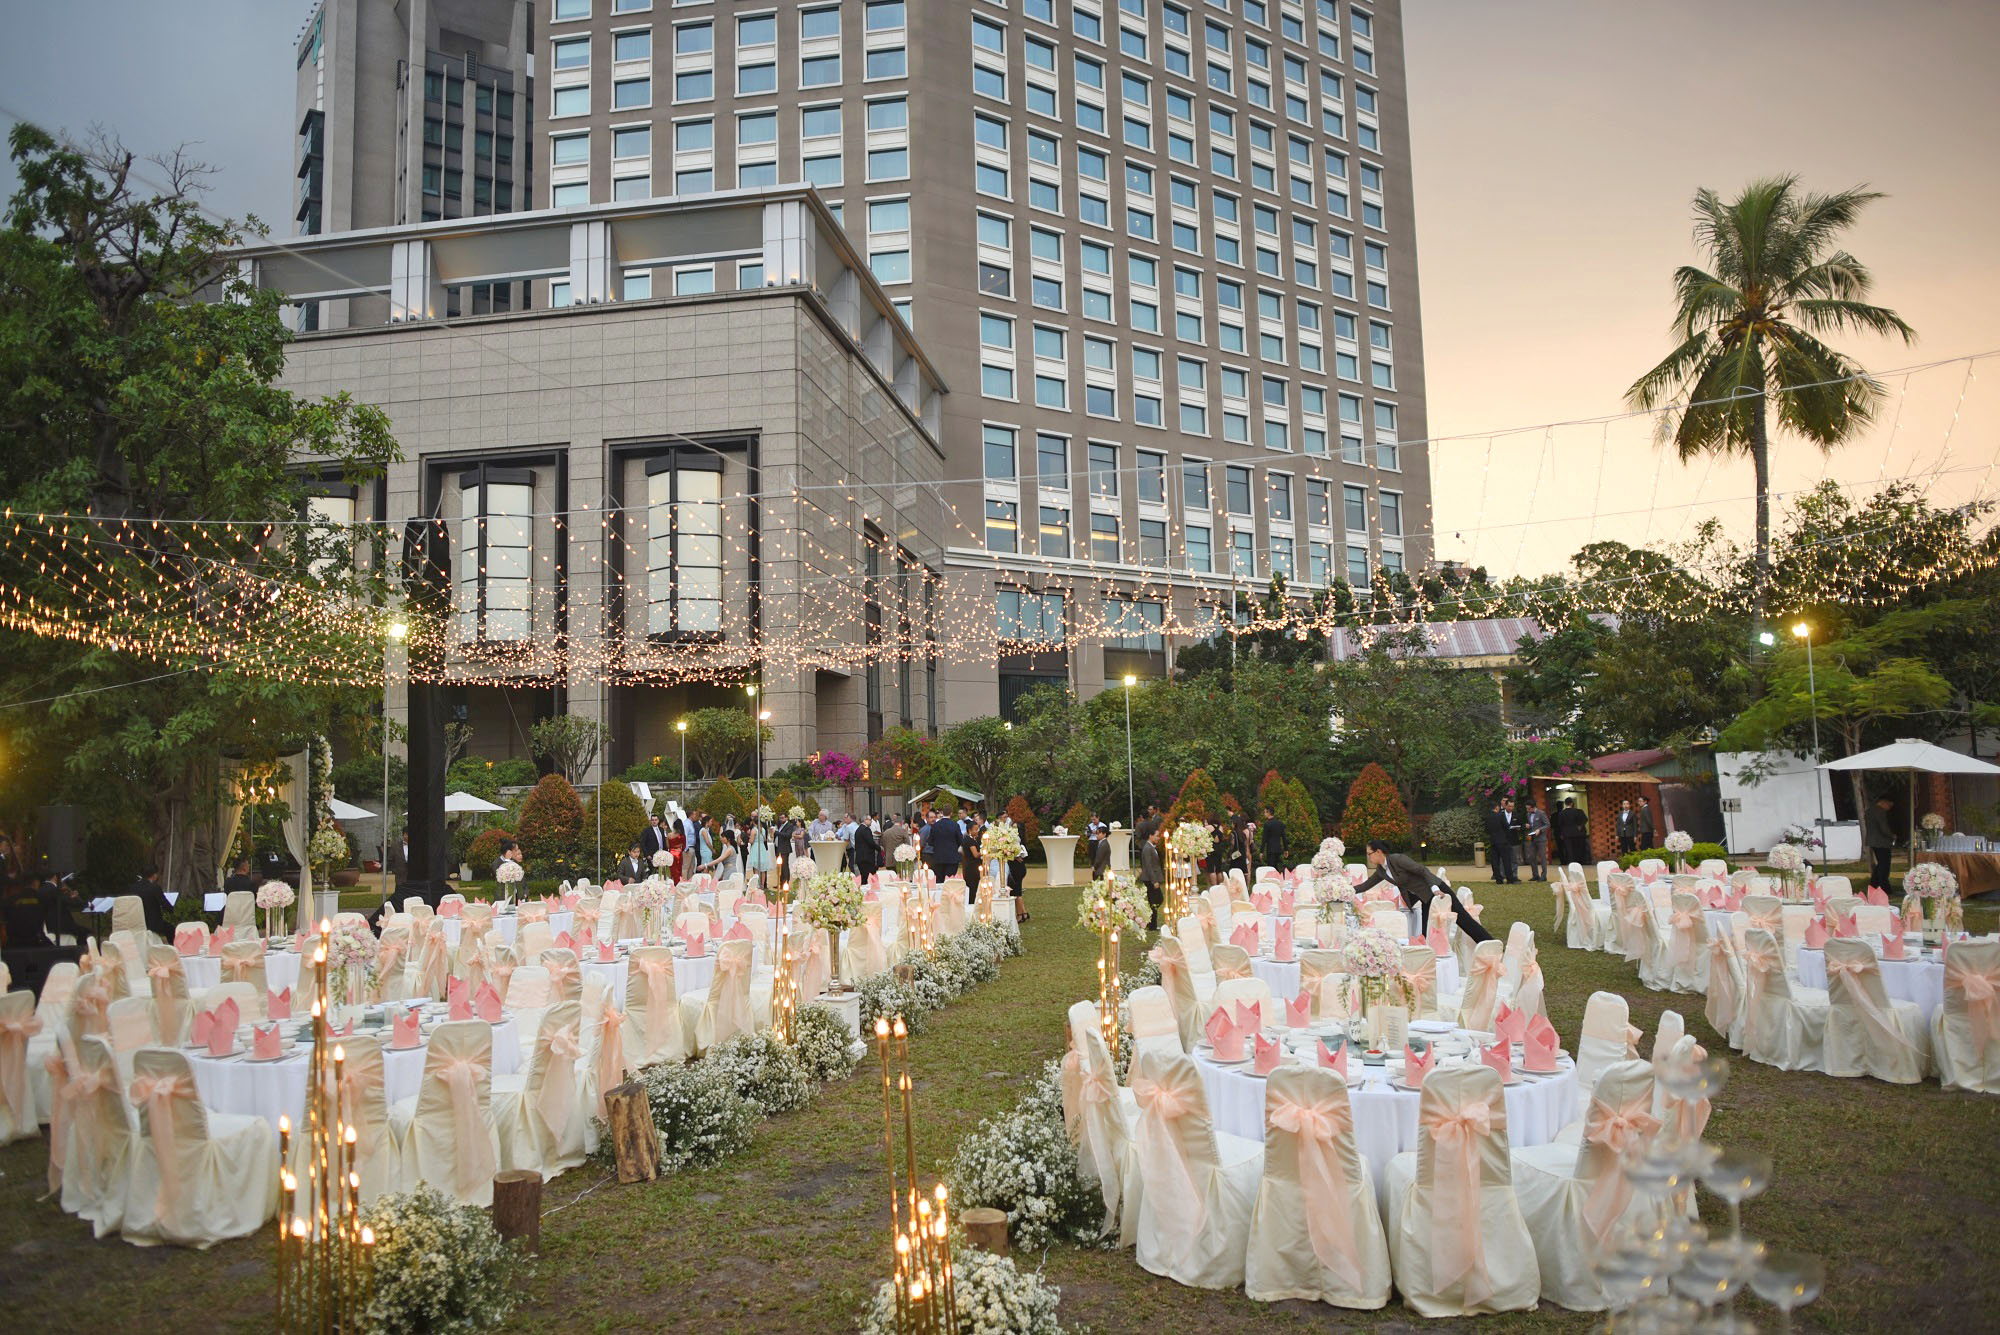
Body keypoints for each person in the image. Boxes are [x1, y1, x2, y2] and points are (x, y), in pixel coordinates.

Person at [1355, 840, 1493, 942]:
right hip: (1426, 898)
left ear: (1378, 852)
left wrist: (1435, 888)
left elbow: (1422, 870)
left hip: (1437, 891)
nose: (1369, 857)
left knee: (1462, 919)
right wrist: (1344, 890)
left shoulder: (1398, 859)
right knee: (1426, 932)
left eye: (1369, 854)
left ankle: (1488, 943)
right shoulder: (1381, 870)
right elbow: (1365, 886)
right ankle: (1429, 958)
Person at [1863, 794, 1898, 891]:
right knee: (1884, 865)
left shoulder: (1869, 810)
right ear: (1884, 802)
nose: (1889, 808)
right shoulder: (1880, 811)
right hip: (1881, 842)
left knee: (1881, 864)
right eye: (1889, 805)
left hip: (1873, 840)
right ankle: (1884, 887)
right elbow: (1884, 827)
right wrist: (1892, 835)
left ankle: (1874, 884)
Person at [129, 865, 171, 938]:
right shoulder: (154, 887)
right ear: (154, 875)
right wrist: (171, 909)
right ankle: (172, 948)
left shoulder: (132, 888)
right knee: (171, 929)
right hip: (152, 924)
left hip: (136, 922)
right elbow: (165, 904)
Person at [1483, 799, 1518, 885]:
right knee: (1506, 860)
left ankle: (1498, 879)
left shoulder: (1487, 817)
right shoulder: (1500, 815)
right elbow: (1506, 826)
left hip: (1493, 841)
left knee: (1495, 861)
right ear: (1497, 808)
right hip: (1503, 841)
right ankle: (1510, 879)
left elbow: (1486, 830)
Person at [1138, 825, 1165, 932]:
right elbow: (1148, 866)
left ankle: (1151, 923)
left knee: (1155, 901)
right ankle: (1151, 923)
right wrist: (1154, 881)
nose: (1158, 838)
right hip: (1150, 878)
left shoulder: (1150, 847)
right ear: (1150, 836)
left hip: (1152, 877)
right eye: (1157, 836)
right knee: (1156, 900)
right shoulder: (1147, 848)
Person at [924, 807, 963, 882]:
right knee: (949, 881)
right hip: (952, 858)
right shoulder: (955, 825)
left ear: (942, 813)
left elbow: (930, 842)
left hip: (938, 858)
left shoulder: (935, 826)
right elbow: (960, 841)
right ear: (951, 813)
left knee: (939, 881)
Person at [1556, 798, 1590, 866]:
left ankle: (1572, 864)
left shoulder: (1562, 813)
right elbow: (1585, 819)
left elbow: (1560, 825)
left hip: (1567, 835)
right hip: (1578, 834)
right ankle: (1580, 863)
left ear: (1565, 804)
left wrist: (1561, 834)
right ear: (1572, 803)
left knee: (1569, 850)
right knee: (1578, 849)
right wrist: (1580, 826)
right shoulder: (1578, 811)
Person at [1522, 801, 1550, 883]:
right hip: (1533, 838)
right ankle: (1535, 875)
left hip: (1541, 839)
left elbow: (1547, 824)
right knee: (1532, 857)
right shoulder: (1528, 814)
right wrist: (1528, 826)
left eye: (1528, 808)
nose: (1527, 810)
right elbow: (1532, 825)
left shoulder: (1541, 813)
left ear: (1533, 807)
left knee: (1542, 858)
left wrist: (1540, 830)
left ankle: (1544, 876)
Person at [1259, 803, 1287, 869]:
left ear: (1268, 812)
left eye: (1265, 812)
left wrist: (1261, 851)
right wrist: (1286, 849)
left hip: (1270, 849)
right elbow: (1284, 837)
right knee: (1277, 867)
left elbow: (1264, 839)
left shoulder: (1267, 824)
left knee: (1271, 867)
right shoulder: (1280, 824)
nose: (1264, 814)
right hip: (1278, 849)